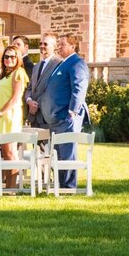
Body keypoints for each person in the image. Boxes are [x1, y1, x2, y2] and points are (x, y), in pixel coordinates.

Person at [41, 34, 90, 190]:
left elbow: (79, 88)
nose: (58, 47)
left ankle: (68, 187)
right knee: (59, 153)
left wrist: (73, 111)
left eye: (62, 44)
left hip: (67, 117)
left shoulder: (77, 63)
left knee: (67, 152)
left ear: (72, 47)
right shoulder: (62, 63)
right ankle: (60, 184)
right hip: (56, 118)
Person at [0, 44, 29, 187]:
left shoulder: (18, 72)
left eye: (12, 56)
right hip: (0, 116)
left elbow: (15, 97)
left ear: (18, 58)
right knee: (5, 153)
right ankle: (7, 185)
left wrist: (0, 113)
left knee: (10, 152)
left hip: (9, 116)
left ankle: (12, 187)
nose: (9, 59)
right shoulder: (5, 74)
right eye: (6, 56)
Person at [26, 33, 60, 128]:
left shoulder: (59, 64)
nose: (41, 46)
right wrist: (29, 101)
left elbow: (54, 90)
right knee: (35, 143)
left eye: (45, 44)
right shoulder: (36, 66)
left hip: (48, 116)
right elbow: (30, 88)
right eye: (40, 44)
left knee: (49, 143)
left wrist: (37, 105)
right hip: (34, 117)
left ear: (54, 46)